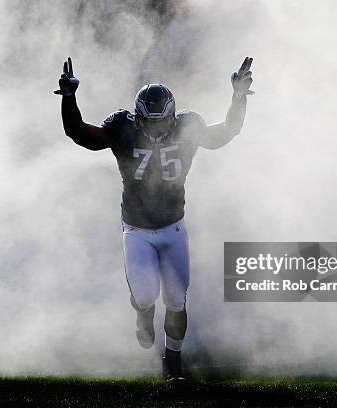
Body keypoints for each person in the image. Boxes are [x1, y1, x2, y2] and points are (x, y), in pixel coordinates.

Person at [55, 56, 254, 380]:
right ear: (138, 119)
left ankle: (172, 361)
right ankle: (143, 314)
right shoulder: (122, 129)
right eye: (151, 123)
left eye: (163, 123)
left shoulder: (188, 128)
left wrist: (238, 97)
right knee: (146, 294)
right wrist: (69, 98)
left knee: (176, 299)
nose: (158, 130)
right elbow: (79, 132)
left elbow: (228, 130)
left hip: (173, 225)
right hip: (136, 228)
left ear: (173, 117)